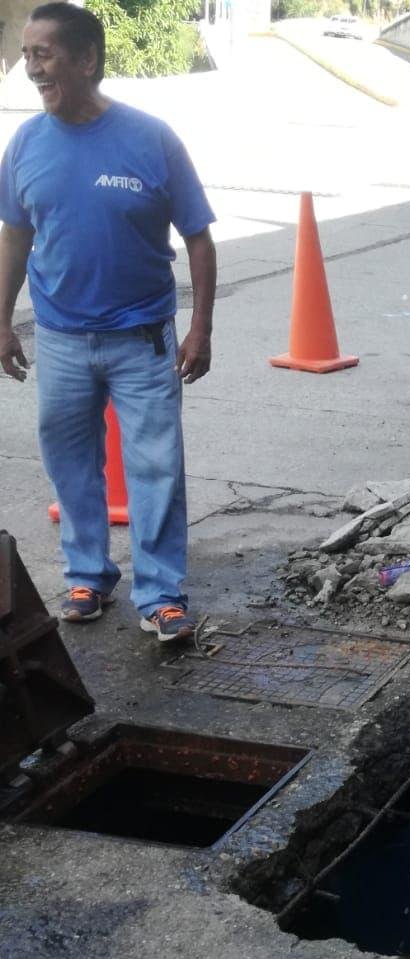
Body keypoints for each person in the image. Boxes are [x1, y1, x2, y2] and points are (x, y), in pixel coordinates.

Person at [0, 2, 216, 642]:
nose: (31, 68)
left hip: (143, 340)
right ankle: (88, 576)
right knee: (70, 463)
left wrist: (199, 326)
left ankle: (161, 596)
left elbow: (199, 239)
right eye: (27, 54)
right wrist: (2, 318)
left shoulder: (151, 139)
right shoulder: (26, 144)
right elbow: (15, 236)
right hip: (62, 340)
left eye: (43, 54)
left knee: (156, 469)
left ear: (87, 59)